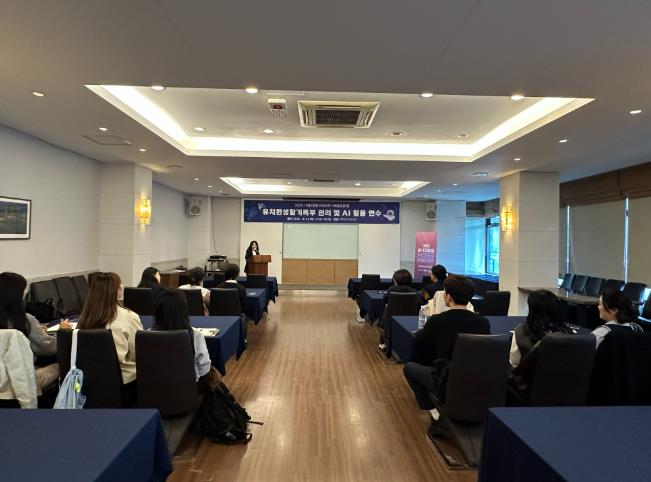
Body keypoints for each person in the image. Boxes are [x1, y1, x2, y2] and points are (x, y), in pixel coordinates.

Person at [403, 275, 489, 424]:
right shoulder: (483, 322)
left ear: (448, 297)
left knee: (409, 368)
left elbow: (419, 344)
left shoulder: (437, 320)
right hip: (476, 378)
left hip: (445, 378)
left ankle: (433, 407)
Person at [77, 272, 142, 404]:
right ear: (117, 290)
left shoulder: (84, 319)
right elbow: (139, 353)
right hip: (124, 385)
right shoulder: (129, 317)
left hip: (88, 385)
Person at [0, 272, 62, 391]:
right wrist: (64, 332)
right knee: (64, 365)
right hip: (22, 382)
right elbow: (47, 348)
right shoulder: (25, 321)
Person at [152, 289, 211, 390]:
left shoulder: (147, 335)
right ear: (184, 310)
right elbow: (204, 369)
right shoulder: (195, 334)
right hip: (189, 389)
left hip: (154, 389)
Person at [510, 290, 571, 368]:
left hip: (531, 375)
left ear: (532, 310)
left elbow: (514, 362)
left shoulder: (520, 332)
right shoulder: (569, 333)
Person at [379, 269, 418, 350]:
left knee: (383, 316)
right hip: (410, 321)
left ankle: (383, 343)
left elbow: (384, 301)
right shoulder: (415, 291)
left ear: (396, 280)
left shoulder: (391, 289)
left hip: (390, 319)